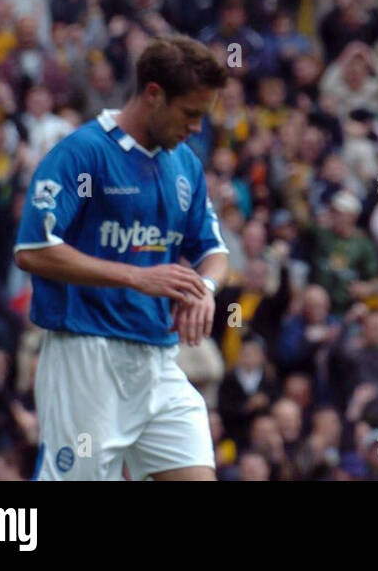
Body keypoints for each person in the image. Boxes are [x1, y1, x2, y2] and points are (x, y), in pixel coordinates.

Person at [13, 36, 231, 480]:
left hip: (158, 360)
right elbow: (33, 250)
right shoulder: (83, 153)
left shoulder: (184, 165)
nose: (196, 128)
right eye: (190, 113)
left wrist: (204, 291)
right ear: (154, 94)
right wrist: (137, 277)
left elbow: (213, 252)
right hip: (86, 355)